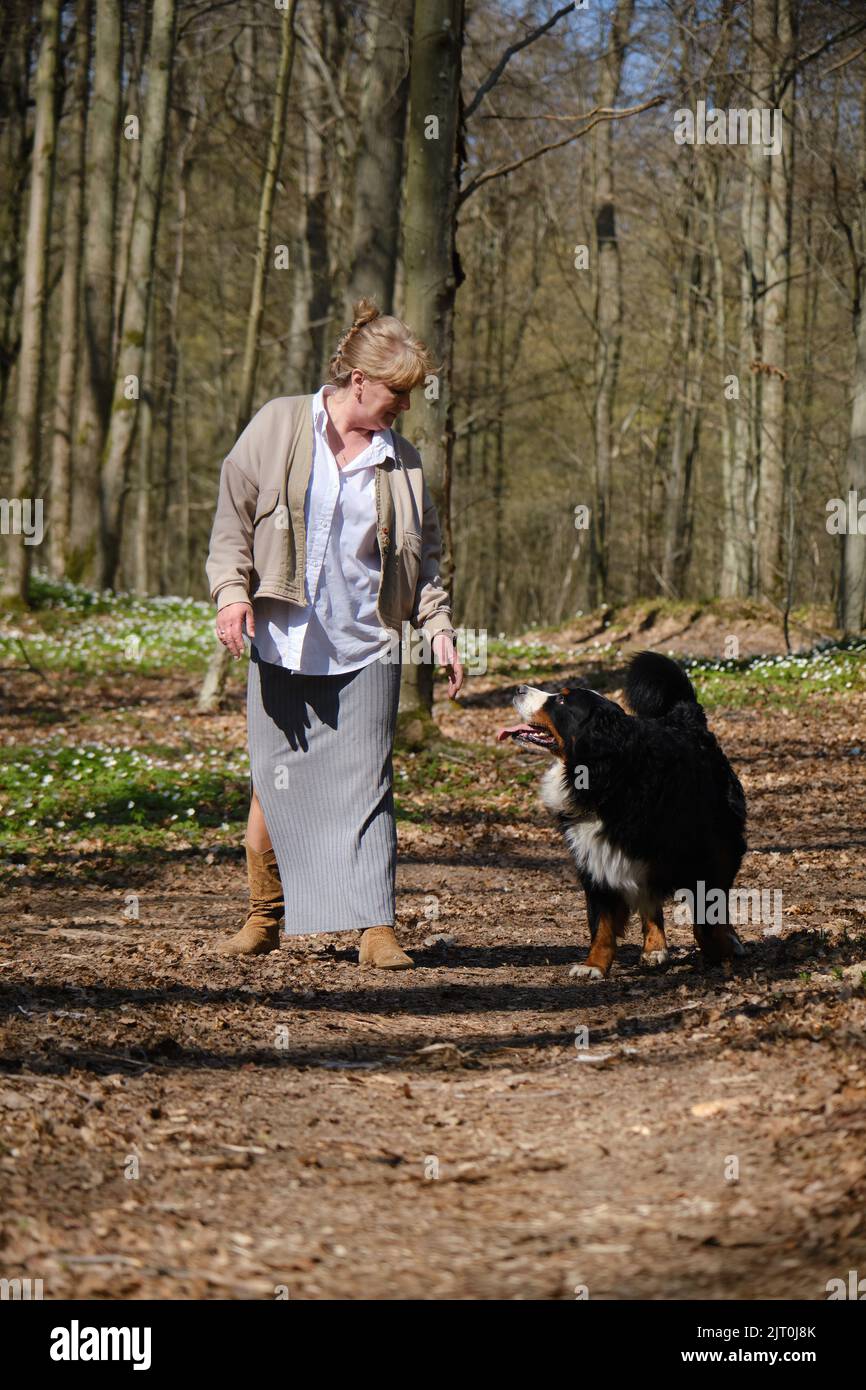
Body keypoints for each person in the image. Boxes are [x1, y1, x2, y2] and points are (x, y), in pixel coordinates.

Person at [205, 299, 464, 967]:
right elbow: (232, 520)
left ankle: (374, 926)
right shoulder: (278, 426)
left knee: (366, 782)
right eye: (396, 393)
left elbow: (426, 553)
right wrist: (232, 595)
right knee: (274, 779)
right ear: (359, 380)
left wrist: (437, 624)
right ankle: (265, 914)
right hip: (284, 642)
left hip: (368, 643)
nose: (403, 407)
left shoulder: (400, 462)